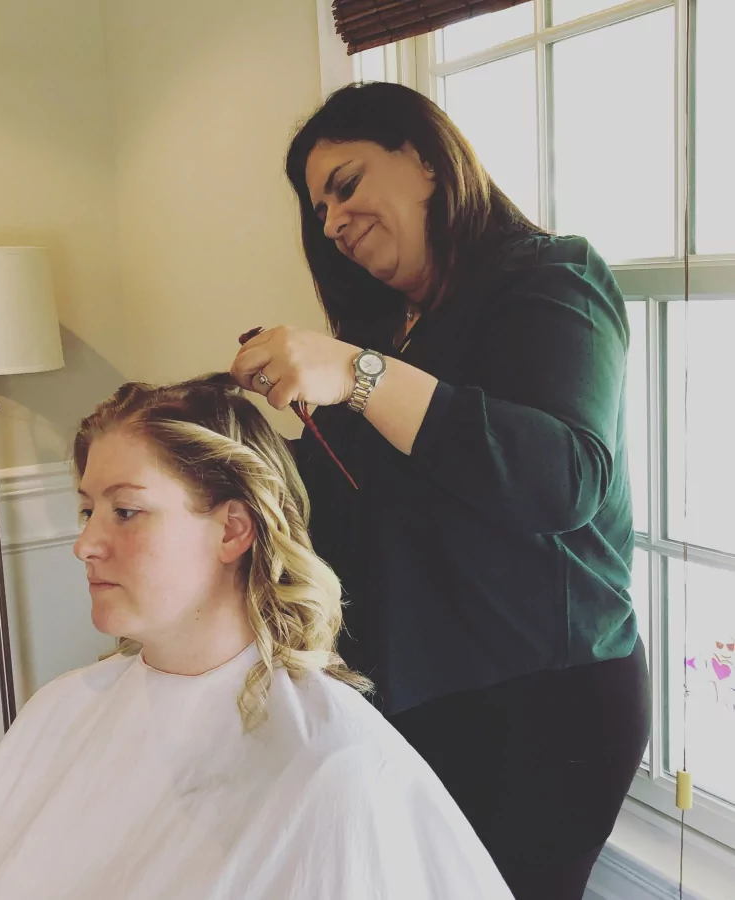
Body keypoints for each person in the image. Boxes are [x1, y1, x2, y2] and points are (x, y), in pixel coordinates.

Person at [230, 81, 651, 900]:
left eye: (345, 184)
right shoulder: (388, 334)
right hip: (424, 694)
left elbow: (561, 480)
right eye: (319, 210)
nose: (333, 222)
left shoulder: (558, 279)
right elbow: (348, 510)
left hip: (546, 702)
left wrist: (357, 374)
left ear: (423, 161)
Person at [0, 375, 513, 900]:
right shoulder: (63, 710)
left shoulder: (333, 768)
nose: (85, 544)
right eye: (88, 511)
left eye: (126, 511)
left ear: (232, 530)